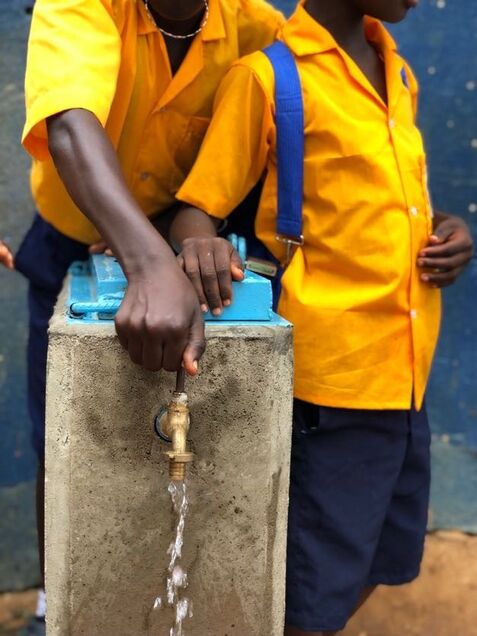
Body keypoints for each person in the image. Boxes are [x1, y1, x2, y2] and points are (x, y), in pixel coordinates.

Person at [169, 0, 474, 634]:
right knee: (312, 587)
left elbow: (389, 202)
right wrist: (200, 244)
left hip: (406, 371)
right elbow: (198, 209)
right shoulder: (268, 78)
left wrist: (446, 229)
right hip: (331, 384)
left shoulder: (398, 71)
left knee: (380, 556)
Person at [0, 0, 283, 632]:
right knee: (62, 441)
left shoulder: (258, 29)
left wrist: (183, 244)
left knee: (192, 446)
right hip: (77, 239)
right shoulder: (85, 6)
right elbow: (70, 121)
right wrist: (148, 263)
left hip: (189, 251)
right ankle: (55, 606)